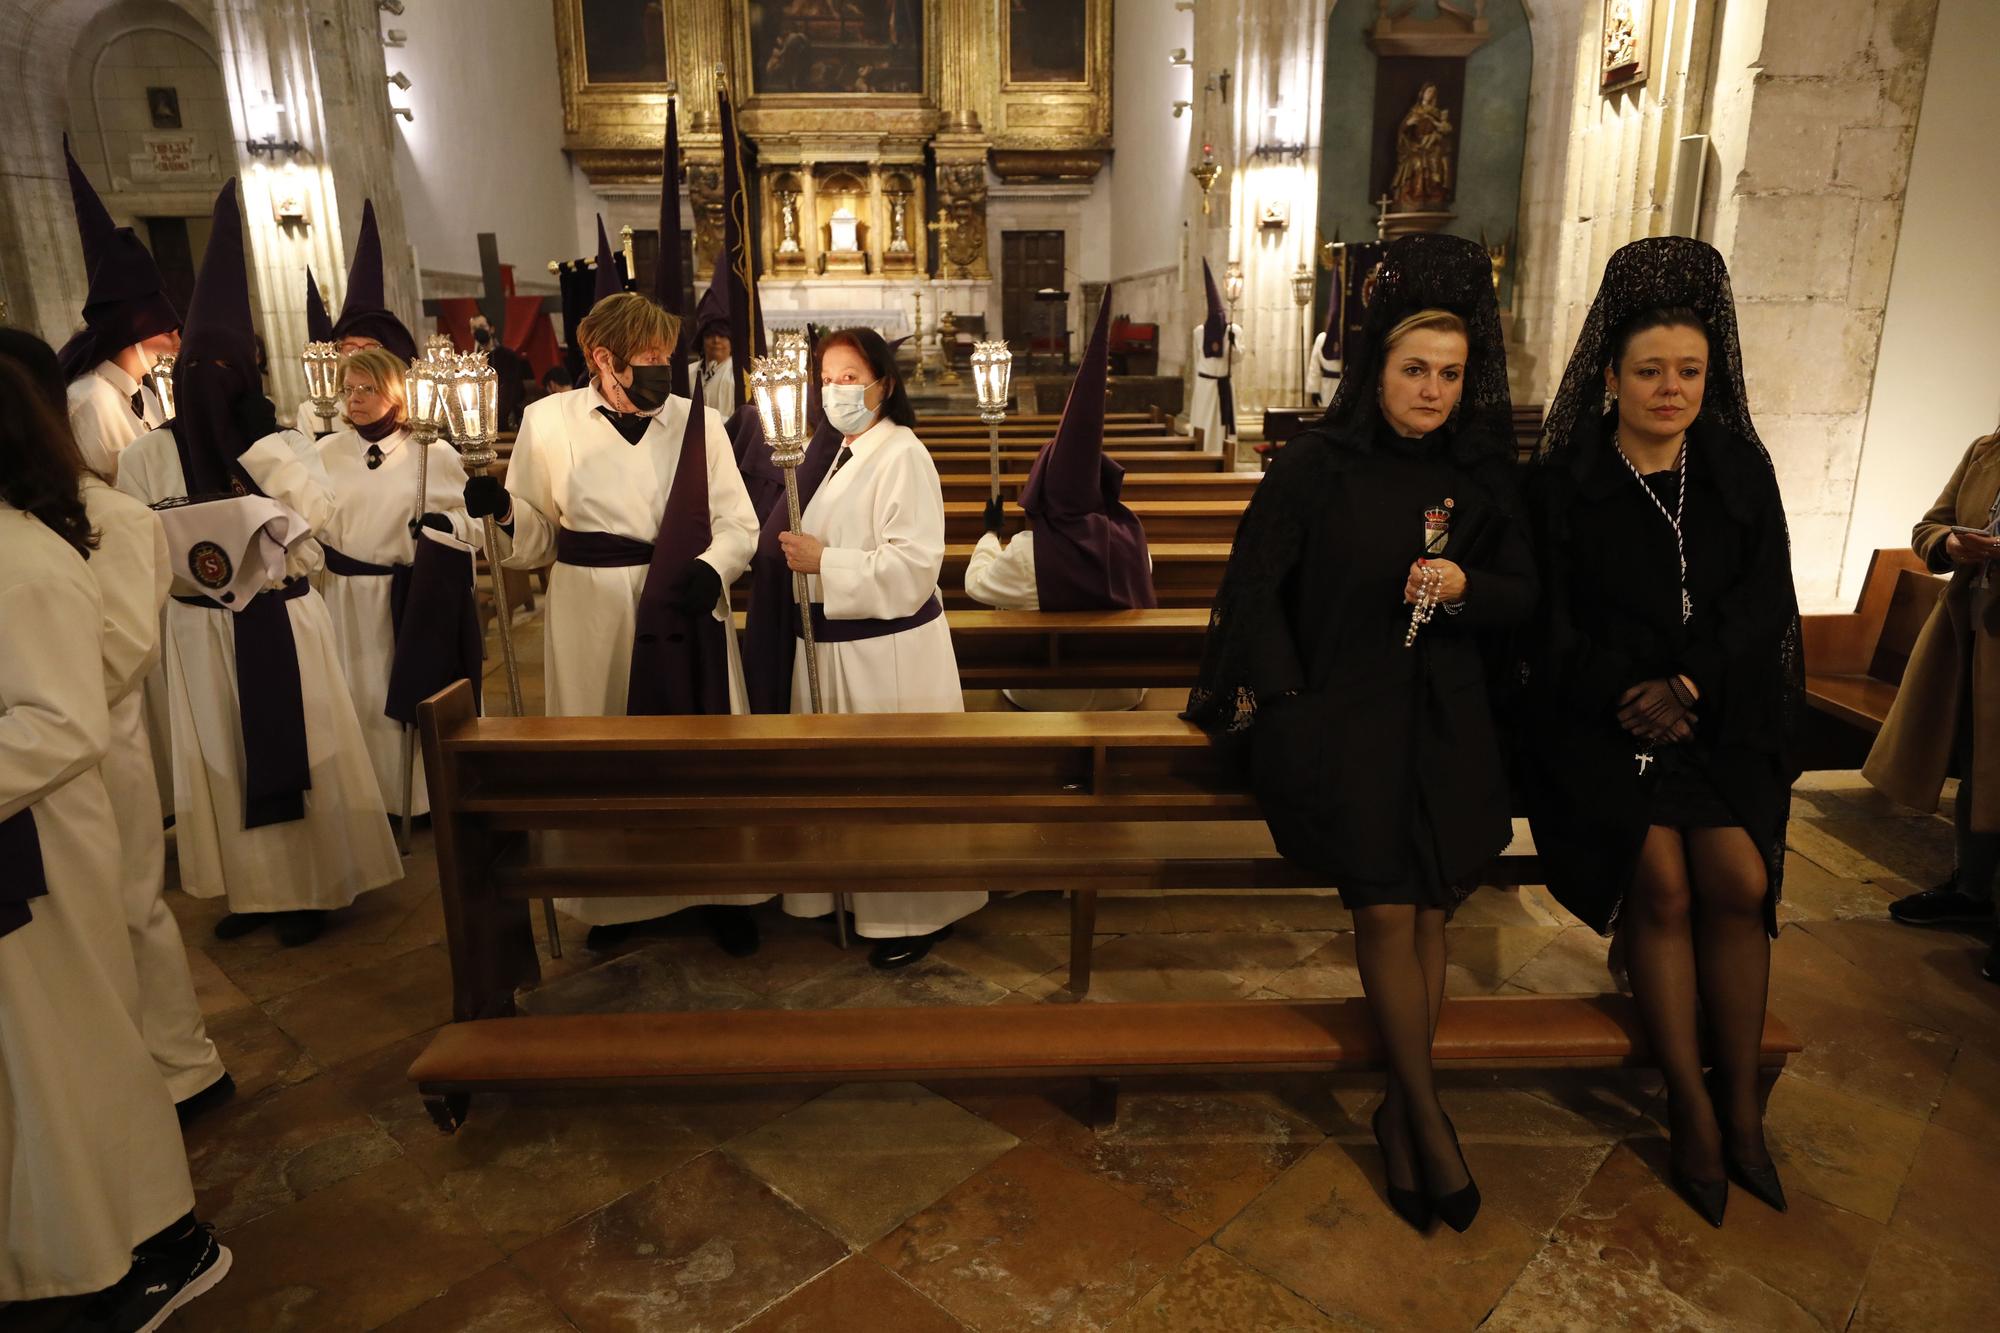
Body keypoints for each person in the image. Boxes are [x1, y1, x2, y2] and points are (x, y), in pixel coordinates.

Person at [1188, 234, 1534, 1236]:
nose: (1430, 389)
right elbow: (1253, 592)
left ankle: (1399, 1106)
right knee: (1386, 913)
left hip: (1444, 723)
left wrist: (1468, 587)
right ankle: (1425, 1118)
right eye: (1413, 369)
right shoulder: (1317, 465)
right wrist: (1289, 703)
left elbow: (1527, 594)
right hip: (1339, 719)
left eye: (1449, 374)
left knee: (1430, 912)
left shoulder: (1479, 474)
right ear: (1376, 368)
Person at [1522, 237, 1801, 1228]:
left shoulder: (1733, 466)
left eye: (1688, 370)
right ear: (1609, 374)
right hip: (1596, 724)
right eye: (1648, 371)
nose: (1670, 387)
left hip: (1713, 713)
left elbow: (1762, 593)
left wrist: (1688, 679)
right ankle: (1688, 1107)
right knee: (1664, 882)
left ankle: (1739, 1106)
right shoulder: (1563, 478)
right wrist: (1631, 688)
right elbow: (1547, 620)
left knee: (1739, 880)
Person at [0, 352, 228, 1327]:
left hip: (57, 807)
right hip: (39, 807)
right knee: (47, 1049)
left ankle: (138, 1235)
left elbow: (77, 701)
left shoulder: (45, 546)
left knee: (84, 1022)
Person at [116, 180, 402, 949]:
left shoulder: (279, 443)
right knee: (222, 760)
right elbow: (136, 537)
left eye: (226, 370)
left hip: (281, 619)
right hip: (202, 628)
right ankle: (251, 891)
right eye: (196, 369)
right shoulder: (147, 454)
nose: (210, 384)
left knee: (303, 749)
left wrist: (264, 448)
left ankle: (312, 888)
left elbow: (324, 522)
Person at [463, 290, 767, 954]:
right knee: (605, 751)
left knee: (703, 750)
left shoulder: (699, 424)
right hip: (591, 611)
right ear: (603, 357)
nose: (662, 368)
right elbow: (539, 537)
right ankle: (616, 895)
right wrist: (506, 513)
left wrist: (714, 567)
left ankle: (725, 888)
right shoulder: (548, 422)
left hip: (684, 602)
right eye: (648, 358)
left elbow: (740, 523)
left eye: (667, 355)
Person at [774, 326, 982, 968]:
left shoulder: (903, 454)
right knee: (843, 789)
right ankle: (847, 893)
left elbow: (915, 568)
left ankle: (914, 914)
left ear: (883, 384)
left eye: (849, 377)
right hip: (837, 649)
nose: (836, 390)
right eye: (826, 378)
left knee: (894, 789)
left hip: (886, 656)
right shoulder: (837, 450)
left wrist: (824, 561)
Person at [964, 290, 1155, 711]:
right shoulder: (1130, 535)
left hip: (1045, 693)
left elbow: (977, 585)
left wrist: (989, 537)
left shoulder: (1029, 553)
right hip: (1124, 690)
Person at [314, 347, 481, 820]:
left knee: (394, 693)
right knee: (352, 693)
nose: (355, 400)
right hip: (343, 595)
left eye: (367, 389)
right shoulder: (327, 452)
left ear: (395, 392)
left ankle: (411, 801)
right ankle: (363, 801)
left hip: (404, 596)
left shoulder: (431, 453)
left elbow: (470, 525)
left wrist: (444, 524)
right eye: (348, 390)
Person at [1864, 424, 2000, 983]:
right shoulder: (1987, 449)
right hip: (1972, 634)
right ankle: (1971, 889)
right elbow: (1930, 528)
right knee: (1980, 764)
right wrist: (1950, 544)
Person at [57, 138, 181, 486]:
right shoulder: (88, 400)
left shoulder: (144, 394)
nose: (177, 342)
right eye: (168, 332)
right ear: (134, 333)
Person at [295, 199, 418, 431]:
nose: (358, 357)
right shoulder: (314, 412)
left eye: (370, 348)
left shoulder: (406, 404)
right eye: (350, 348)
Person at [1188, 259, 1241, 456]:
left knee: (1222, 429)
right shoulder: (1199, 332)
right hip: (1205, 387)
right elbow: (1197, 360)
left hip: (1223, 386)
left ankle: (1223, 458)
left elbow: (1237, 358)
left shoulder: (1233, 330)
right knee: (1203, 424)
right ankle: (1201, 458)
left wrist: (1233, 343)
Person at [690, 257, 735, 421]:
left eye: (722, 336)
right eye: (710, 336)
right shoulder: (691, 372)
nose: (716, 341)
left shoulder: (736, 376)